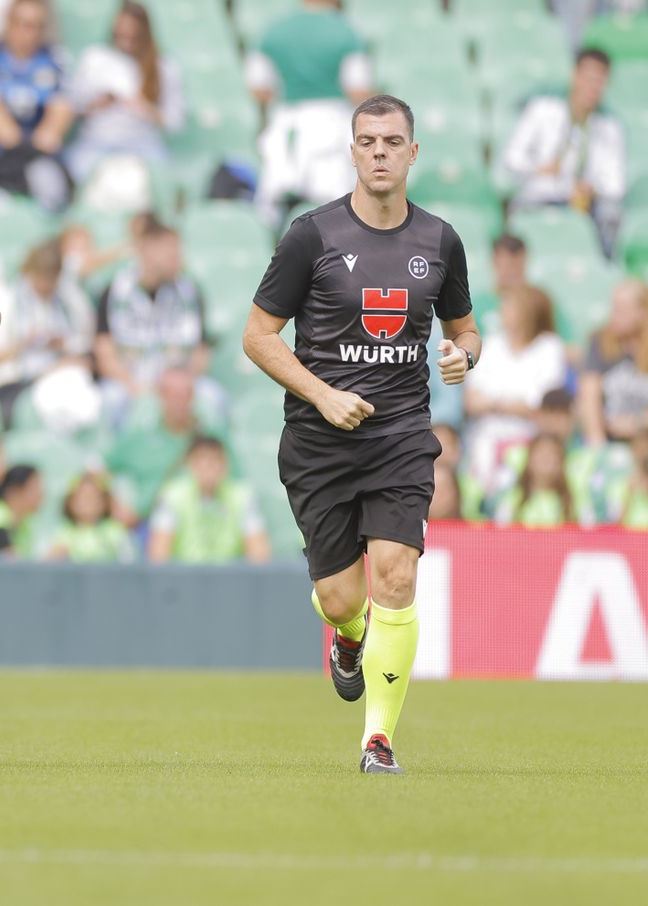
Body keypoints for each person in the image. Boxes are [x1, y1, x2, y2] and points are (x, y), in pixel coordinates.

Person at [243, 94, 480, 775]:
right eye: (367, 141)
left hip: (401, 435)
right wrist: (321, 395)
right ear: (352, 152)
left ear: (413, 154)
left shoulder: (440, 241)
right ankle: (348, 637)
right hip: (319, 442)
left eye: (392, 141)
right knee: (344, 599)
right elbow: (258, 337)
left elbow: (465, 328)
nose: (379, 151)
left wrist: (466, 355)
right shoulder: (310, 236)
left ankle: (378, 740)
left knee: (396, 575)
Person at [246, 0, 374, 217]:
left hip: (287, 123)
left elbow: (258, 88)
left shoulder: (274, 30)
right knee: (336, 211)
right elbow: (359, 91)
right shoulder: (345, 31)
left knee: (278, 208)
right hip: (332, 123)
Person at [0, 0, 74, 209]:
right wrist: (28, 148)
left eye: (36, 26)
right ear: (8, 24)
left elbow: (59, 117)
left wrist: (40, 143)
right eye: (22, 24)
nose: (28, 33)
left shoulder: (56, 60)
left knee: (50, 182)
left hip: (35, 142)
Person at [500, 49, 626, 243]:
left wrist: (592, 189)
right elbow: (511, 158)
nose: (593, 87)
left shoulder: (608, 126)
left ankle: (605, 265)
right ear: (575, 75)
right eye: (589, 78)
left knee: (611, 214)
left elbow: (615, 185)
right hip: (540, 195)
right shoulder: (542, 109)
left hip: (584, 207)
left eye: (600, 81)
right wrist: (539, 168)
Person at [92, 219, 211, 420]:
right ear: (146, 250)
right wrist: (132, 386)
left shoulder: (190, 292)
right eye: (169, 251)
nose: (177, 258)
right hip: (129, 382)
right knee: (110, 399)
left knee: (213, 398)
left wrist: (183, 382)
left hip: (179, 381)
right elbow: (104, 352)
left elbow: (201, 352)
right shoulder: (114, 291)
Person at [0, 237, 95, 428]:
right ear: (29, 273)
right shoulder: (6, 301)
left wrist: (61, 344)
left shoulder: (68, 300)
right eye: (42, 278)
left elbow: (85, 345)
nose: (46, 286)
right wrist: (25, 343)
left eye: (52, 279)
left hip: (56, 373)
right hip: (16, 382)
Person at [463, 283, 567, 487]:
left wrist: (493, 403)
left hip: (530, 443)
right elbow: (472, 401)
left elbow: (542, 406)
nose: (502, 310)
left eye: (509, 305)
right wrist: (512, 404)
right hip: (484, 442)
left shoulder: (550, 347)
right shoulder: (490, 344)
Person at [66, 0, 186, 177]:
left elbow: (176, 122)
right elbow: (71, 107)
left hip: (143, 143)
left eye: (134, 36)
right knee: (76, 171)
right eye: (122, 34)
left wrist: (146, 108)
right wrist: (96, 105)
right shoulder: (94, 58)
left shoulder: (164, 67)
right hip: (97, 140)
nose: (127, 40)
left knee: (162, 177)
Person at [106, 364, 211, 521]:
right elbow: (99, 469)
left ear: (193, 397)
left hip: (200, 521)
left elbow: (237, 482)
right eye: (172, 394)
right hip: (149, 520)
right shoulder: (140, 436)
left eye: (185, 394)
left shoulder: (210, 436)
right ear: (160, 396)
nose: (179, 401)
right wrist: (117, 505)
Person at [148, 437, 271, 565]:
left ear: (226, 464)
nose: (208, 467)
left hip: (230, 580)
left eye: (215, 459)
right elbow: (158, 557)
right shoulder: (171, 496)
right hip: (184, 581)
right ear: (189, 464)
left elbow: (259, 557)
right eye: (201, 460)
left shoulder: (243, 496)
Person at [579, 279, 648, 445]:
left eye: (622, 310)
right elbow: (589, 393)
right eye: (614, 308)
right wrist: (597, 442)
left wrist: (638, 423)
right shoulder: (600, 341)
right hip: (610, 439)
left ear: (643, 312)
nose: (614, 316)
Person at [494, 432, 592, 525]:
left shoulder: (575, 500)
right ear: (529, 460)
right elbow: (501, 530)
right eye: (540, 453)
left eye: (552, 454)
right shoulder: (513, 499)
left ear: (561, 462)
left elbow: (588, 530)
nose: (545, 459)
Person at [46, 471, 134, 563]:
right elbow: (50, 561)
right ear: (70, 503)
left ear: (104, 502)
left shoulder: (115, 531)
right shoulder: (64, 533)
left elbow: (128, 561)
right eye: (83, 498)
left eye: (93, 498)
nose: (88, 503)